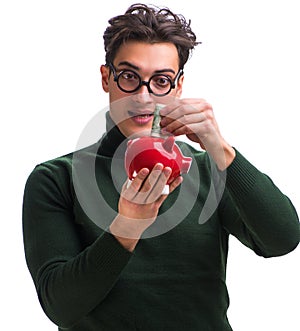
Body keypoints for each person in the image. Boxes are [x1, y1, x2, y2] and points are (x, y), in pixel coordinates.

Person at [22, 3, 299, 331]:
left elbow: (282, 239)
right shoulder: (57, 179)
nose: (143, 96)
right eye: (129, 76)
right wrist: (126, 228)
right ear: (106, 78)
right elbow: (61, 307)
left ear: (178, 87)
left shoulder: (208, 169)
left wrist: (221, 150)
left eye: (161, 81)